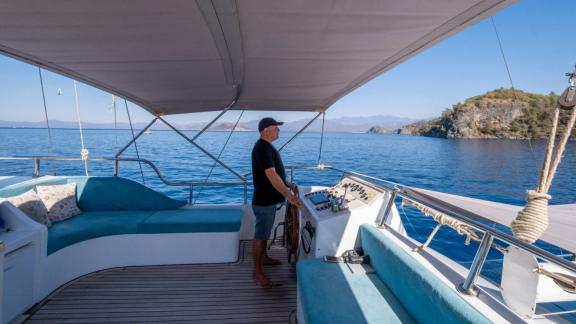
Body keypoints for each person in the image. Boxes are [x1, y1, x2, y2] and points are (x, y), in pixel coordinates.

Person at [251, 117, 303, 288]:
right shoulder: (262, 148)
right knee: (260, 236)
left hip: (268, 200)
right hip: (264, 200)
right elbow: (271, 175)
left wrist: (287, 184)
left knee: (265, 233)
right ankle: (257, 273)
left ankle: (264, 258)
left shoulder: (266, 147)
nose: (278, 131)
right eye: (276, 128)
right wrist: (289, 196)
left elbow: (276, 173)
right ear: (266, 130)